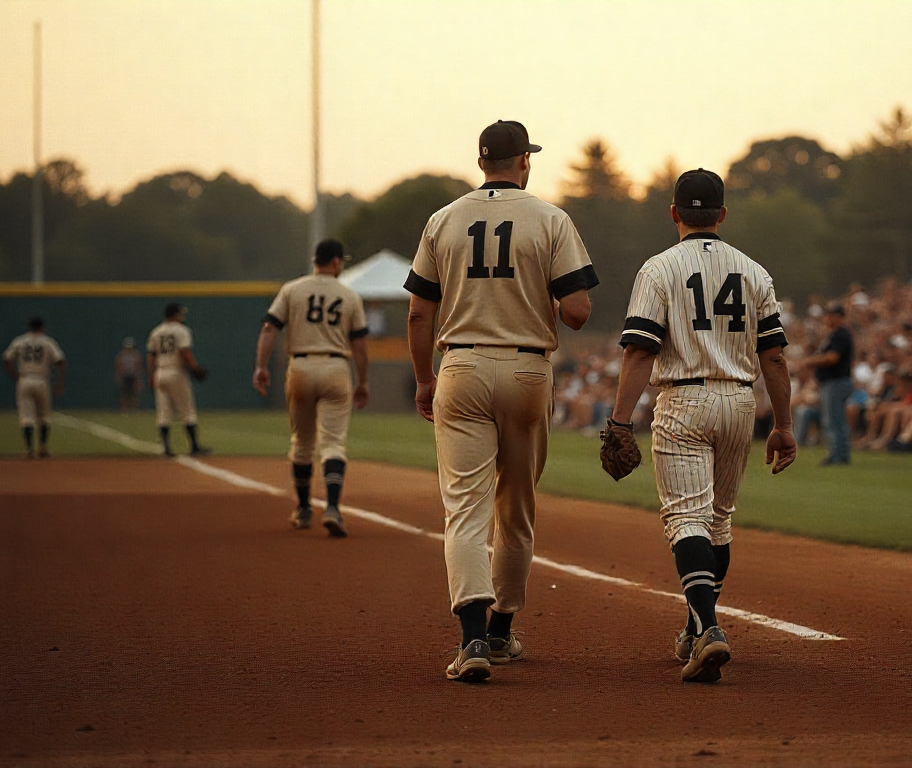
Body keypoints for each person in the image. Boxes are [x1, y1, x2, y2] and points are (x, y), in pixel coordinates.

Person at [405, 120, 598, 682]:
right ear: (525, 161)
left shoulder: (444, 219)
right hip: (526, 367)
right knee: (514, 508)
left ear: (483, 162)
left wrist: (424, 380)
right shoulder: (551, 218)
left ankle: (470, 642)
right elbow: (578, 310)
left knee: (465, 508)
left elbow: (419, 311)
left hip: (460, 365)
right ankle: (501, 630)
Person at [607, 168, 796, 683]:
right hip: (739, 401)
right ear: (722, 214)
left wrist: (620, 420)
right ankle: (695, 628)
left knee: (685, 520)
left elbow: (641, 348)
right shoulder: (755, 272)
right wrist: (782, 424)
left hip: (684, 401)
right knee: (718, 521)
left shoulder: (658, 269)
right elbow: (774, 358)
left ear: (673, 214)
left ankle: (709, 629)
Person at [253, 238, 371, 537]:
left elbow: (269, 328)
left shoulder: (292, 289)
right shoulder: (349, 294)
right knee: (333, 443)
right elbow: (359, 344)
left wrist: (261, 366)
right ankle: (332, 507)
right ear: (335, 262)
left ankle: (304, 508)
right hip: (335, 367)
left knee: (303, 442)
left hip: (300, 366)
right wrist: (364, 381)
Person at [147, 303, 211, 457]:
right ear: (174, 315)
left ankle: (166, 449)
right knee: (187, 410)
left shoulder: (156, 331)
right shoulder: (182, 331)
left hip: (160, 372)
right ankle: (194, 447)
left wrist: (152, 375)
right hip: (176, 372)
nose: (182, 316)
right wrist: (196, 368)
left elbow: (151, 355)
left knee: (163, 412)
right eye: (180, 313)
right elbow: (184, 352)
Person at [1, 317, 66, 458]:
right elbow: (60, 361)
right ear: (42, 327)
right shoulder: (47, 341)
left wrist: (14, 374)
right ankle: (43, 448)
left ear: (29, 327)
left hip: (24, 379)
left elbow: (6, 358)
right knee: (44, 415)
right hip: (42, 380)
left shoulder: (20, 340)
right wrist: (60, 382)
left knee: (26, 416)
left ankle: (29, 449)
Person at [801, 304, 853, 465]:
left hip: (835, 382)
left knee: (833, 421)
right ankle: (839, 454)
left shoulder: (840, 334)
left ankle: (838, 455)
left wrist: (810, 361)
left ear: (838, 316)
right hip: (832, 382)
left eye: (831, 315)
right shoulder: (833, 335)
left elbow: (832, 358)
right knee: (834, 420)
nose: (827, 318)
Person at [114, 338, 143, 412]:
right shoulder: (121, 355)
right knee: (125, 394)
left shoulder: (136, 355)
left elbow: (138, 366)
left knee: (134, 394)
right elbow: (118, 366)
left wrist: (138, 378)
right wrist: (119, 376)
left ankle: (134, 409)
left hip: (133, 376)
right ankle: (124, 409)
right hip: (125, 376)